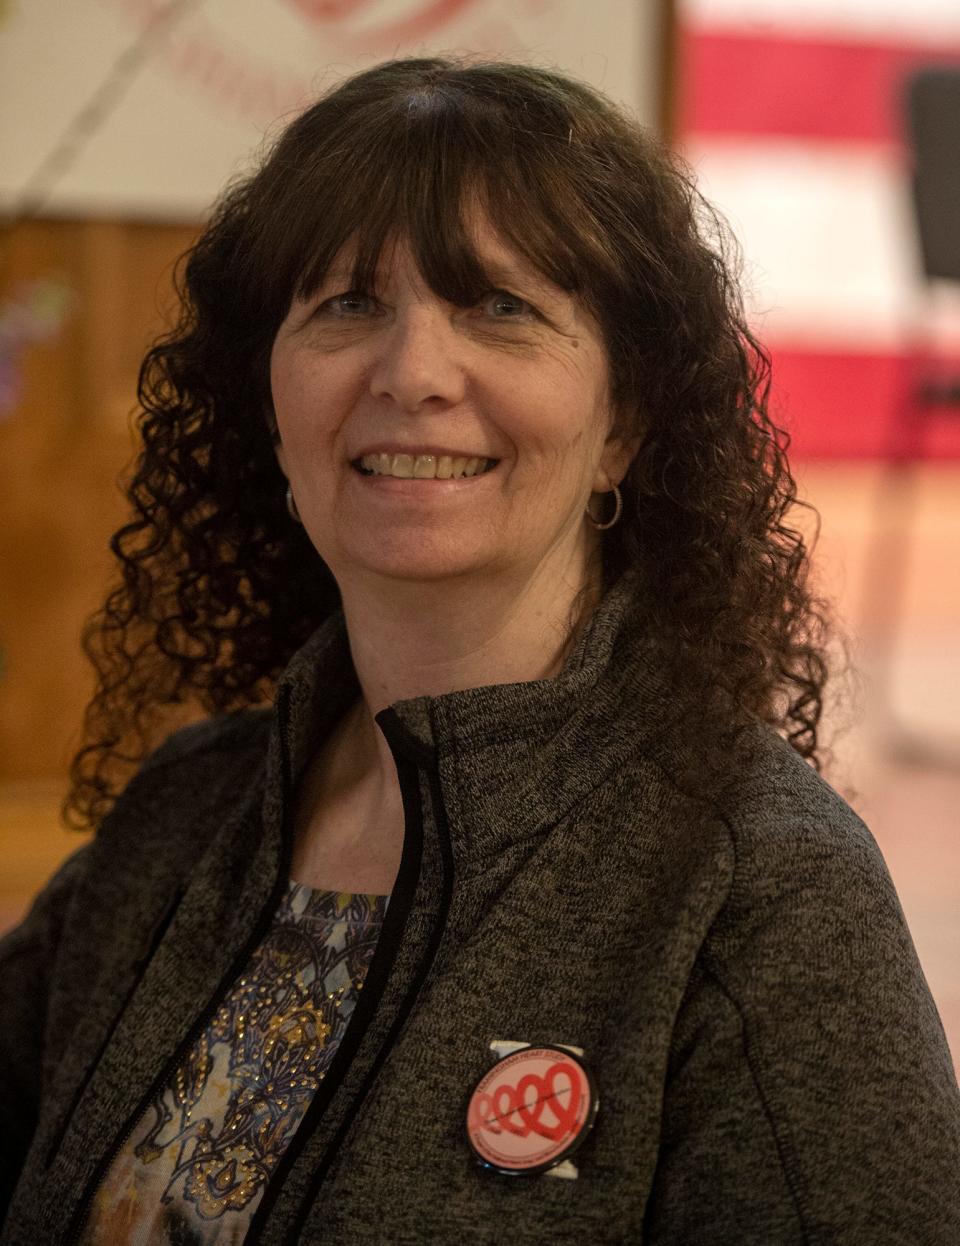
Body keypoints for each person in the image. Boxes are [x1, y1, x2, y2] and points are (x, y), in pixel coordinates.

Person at [1, 55, 958, 1246]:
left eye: (500, 307)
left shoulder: (757, 887)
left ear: (624, 425)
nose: (411, 375)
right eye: (346, 304)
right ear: (269, 408)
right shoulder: (183, 819)